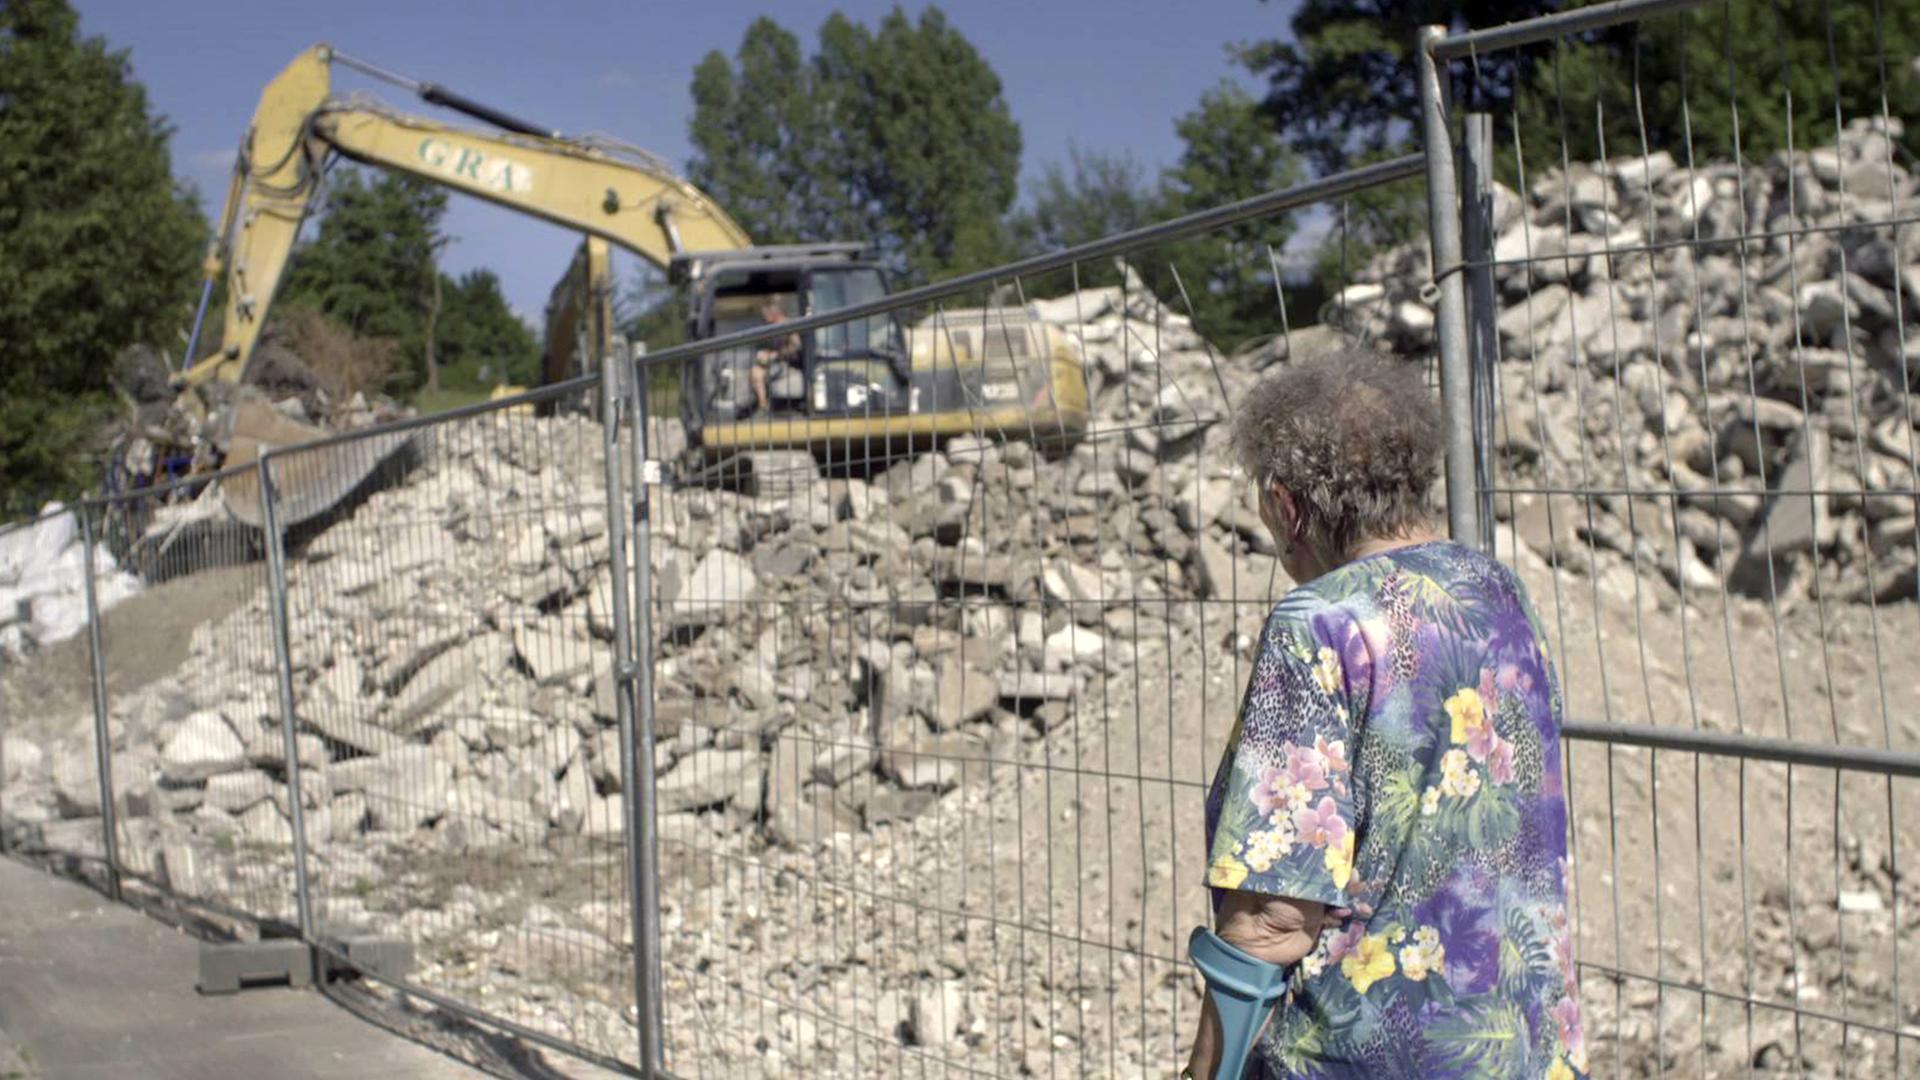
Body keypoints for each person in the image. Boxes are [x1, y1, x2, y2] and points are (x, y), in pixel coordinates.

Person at [1183, 351, 1585, 1079]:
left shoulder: (1321, 622)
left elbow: (1272, 920)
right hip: (1520, 1048)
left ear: (1288, 507)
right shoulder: (1499, 592)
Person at [748, 299, 803, 415]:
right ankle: (763, 405)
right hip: (771, 364)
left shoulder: (788, 325)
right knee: (755, 372)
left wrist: (776, 355)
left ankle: (763, 407)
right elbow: (765, 346)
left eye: (765, 314)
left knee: (758, 373)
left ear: (774, 314)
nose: (763, 317)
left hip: (788, 363)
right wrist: (763, 353)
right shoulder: (768, 327)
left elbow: (796, 346)